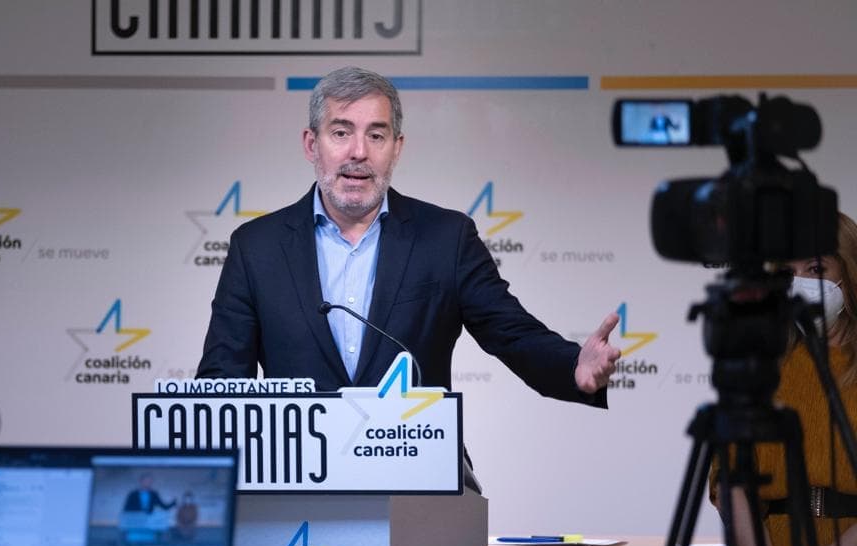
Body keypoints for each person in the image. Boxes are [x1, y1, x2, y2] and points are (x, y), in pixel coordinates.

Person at [196, 66, 620, 489]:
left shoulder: (446, 237)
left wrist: (573, 367)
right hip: (296, 481)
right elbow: (221, 381)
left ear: (396, 148)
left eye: (376, 135)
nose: (359, 152)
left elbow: (512, 333)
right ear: (312, 144)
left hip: (419, 477)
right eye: (341, 133)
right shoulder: (257, 246)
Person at [710, 212, 857, 546]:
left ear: (848, 272)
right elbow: (729, 484)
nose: (800, 285)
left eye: (816, 269)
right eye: (788, 272)